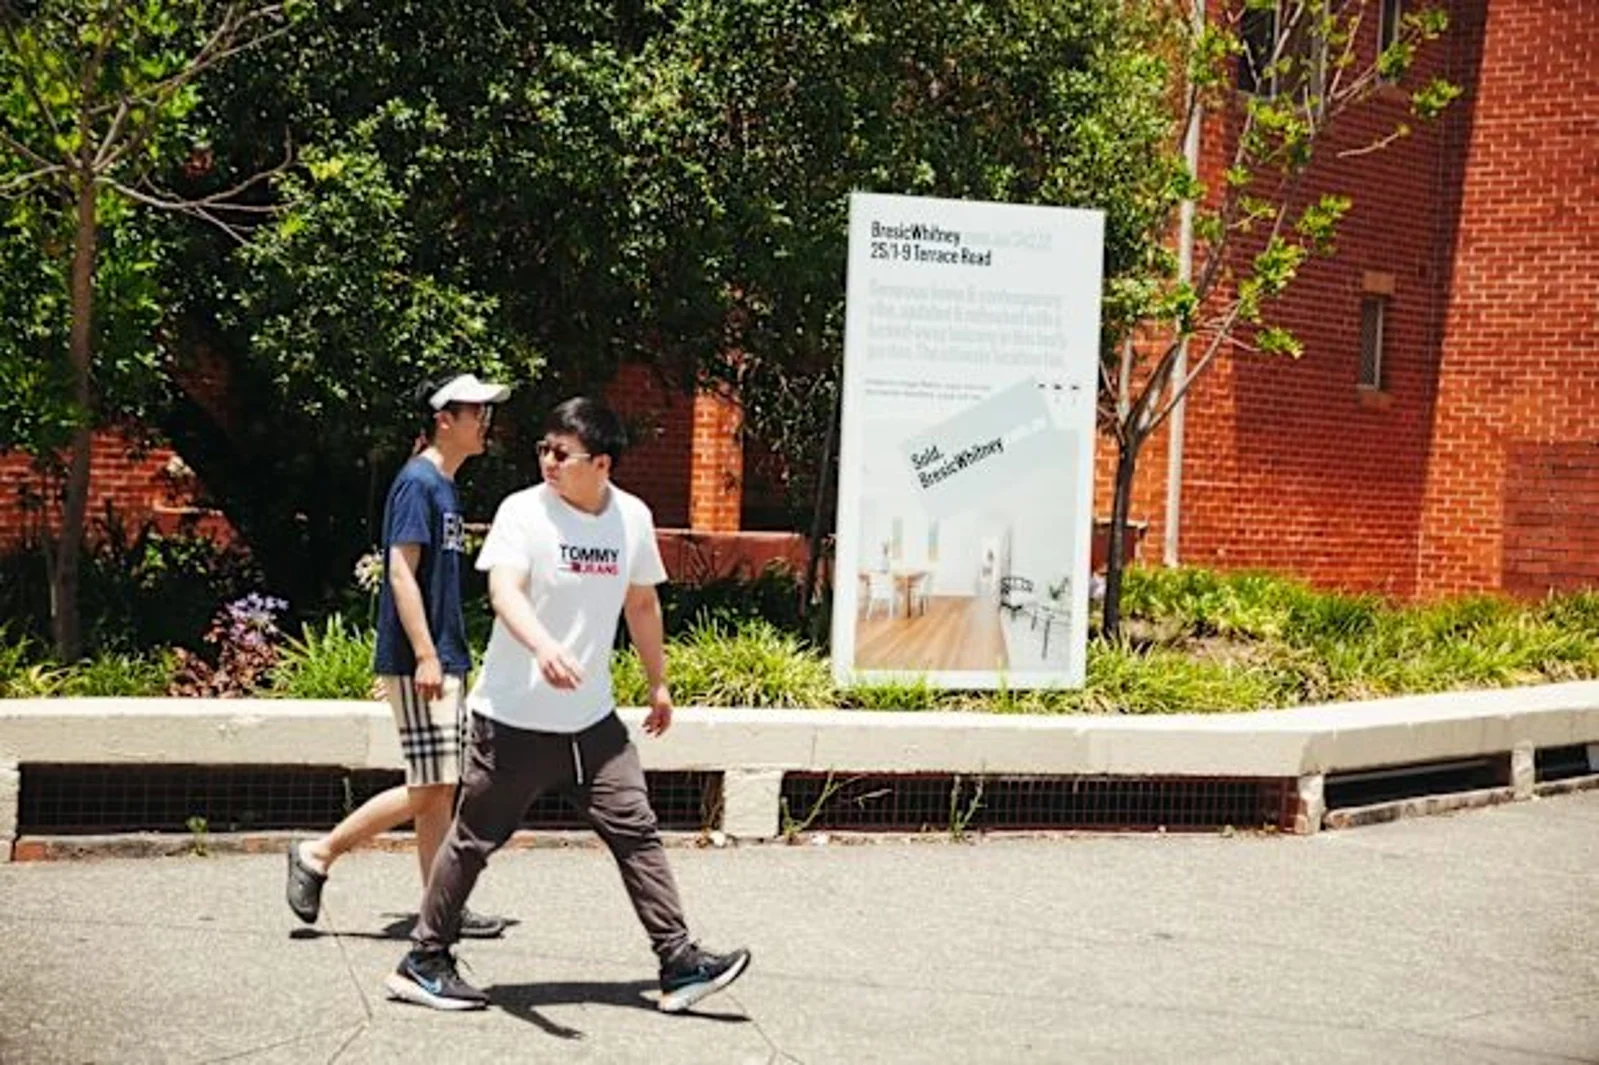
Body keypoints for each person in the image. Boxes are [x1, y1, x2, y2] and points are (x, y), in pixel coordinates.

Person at [383, 397, 750, 1013]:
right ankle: (424, 961)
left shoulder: (631, 517)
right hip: (514, 721)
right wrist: (543, 646)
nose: (548, 462)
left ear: (601, 463)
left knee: (636, 832)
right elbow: (504, 590)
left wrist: (658, 682)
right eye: (544, 450)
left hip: (593, 724)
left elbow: (641, 603)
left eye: (562, 453)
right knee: (473, 840)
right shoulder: (523, 511)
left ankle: (679, 963)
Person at [285, 372, 512, 940]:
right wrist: (425, 655)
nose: (485, 422)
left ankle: (441, 905)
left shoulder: (443, 485)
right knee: (431, 787)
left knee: (440, 788)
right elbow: (400, 573)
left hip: (441, 657)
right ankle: (318, 853)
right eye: (476, 412)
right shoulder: (418, 483)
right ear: (444, 419)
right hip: (422, 660)